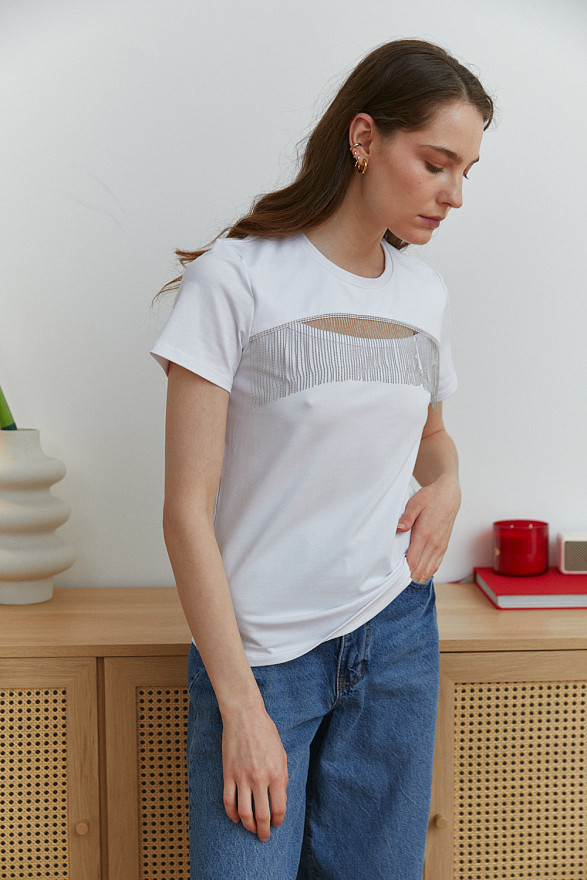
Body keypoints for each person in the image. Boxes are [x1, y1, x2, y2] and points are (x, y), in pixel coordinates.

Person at [151, 38, 493, 880]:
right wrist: (239, 704)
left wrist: (449, 483)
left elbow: (431, 439)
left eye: (465, 172)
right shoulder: (236, 279)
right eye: (436, 163)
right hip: (261, 657)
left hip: (395, 634)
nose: (453, 194)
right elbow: (185, 510)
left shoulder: (424, 295)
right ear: (364, 137)